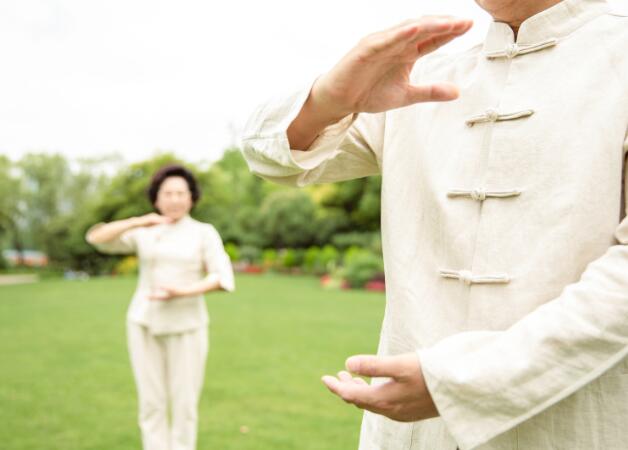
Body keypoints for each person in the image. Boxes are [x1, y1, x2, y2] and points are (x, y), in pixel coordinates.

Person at [241, 0, 628, 448]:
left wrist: (465, 381)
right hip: (408, 436)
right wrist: (329, 97)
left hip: (575, 426)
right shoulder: (425, 77)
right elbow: (271, 158)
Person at [86, 164, 235, 450]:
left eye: (181, 193)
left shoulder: (203, 233)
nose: (175, 199)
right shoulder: (145, 231)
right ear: (157, 198)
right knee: (151, 402)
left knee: (184, 404)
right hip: (143, 323)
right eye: (168, 193)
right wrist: (139, 221)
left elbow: (222, 277)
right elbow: (97, 239)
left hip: (187, 325)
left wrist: (183, 291)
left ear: (192, 198)